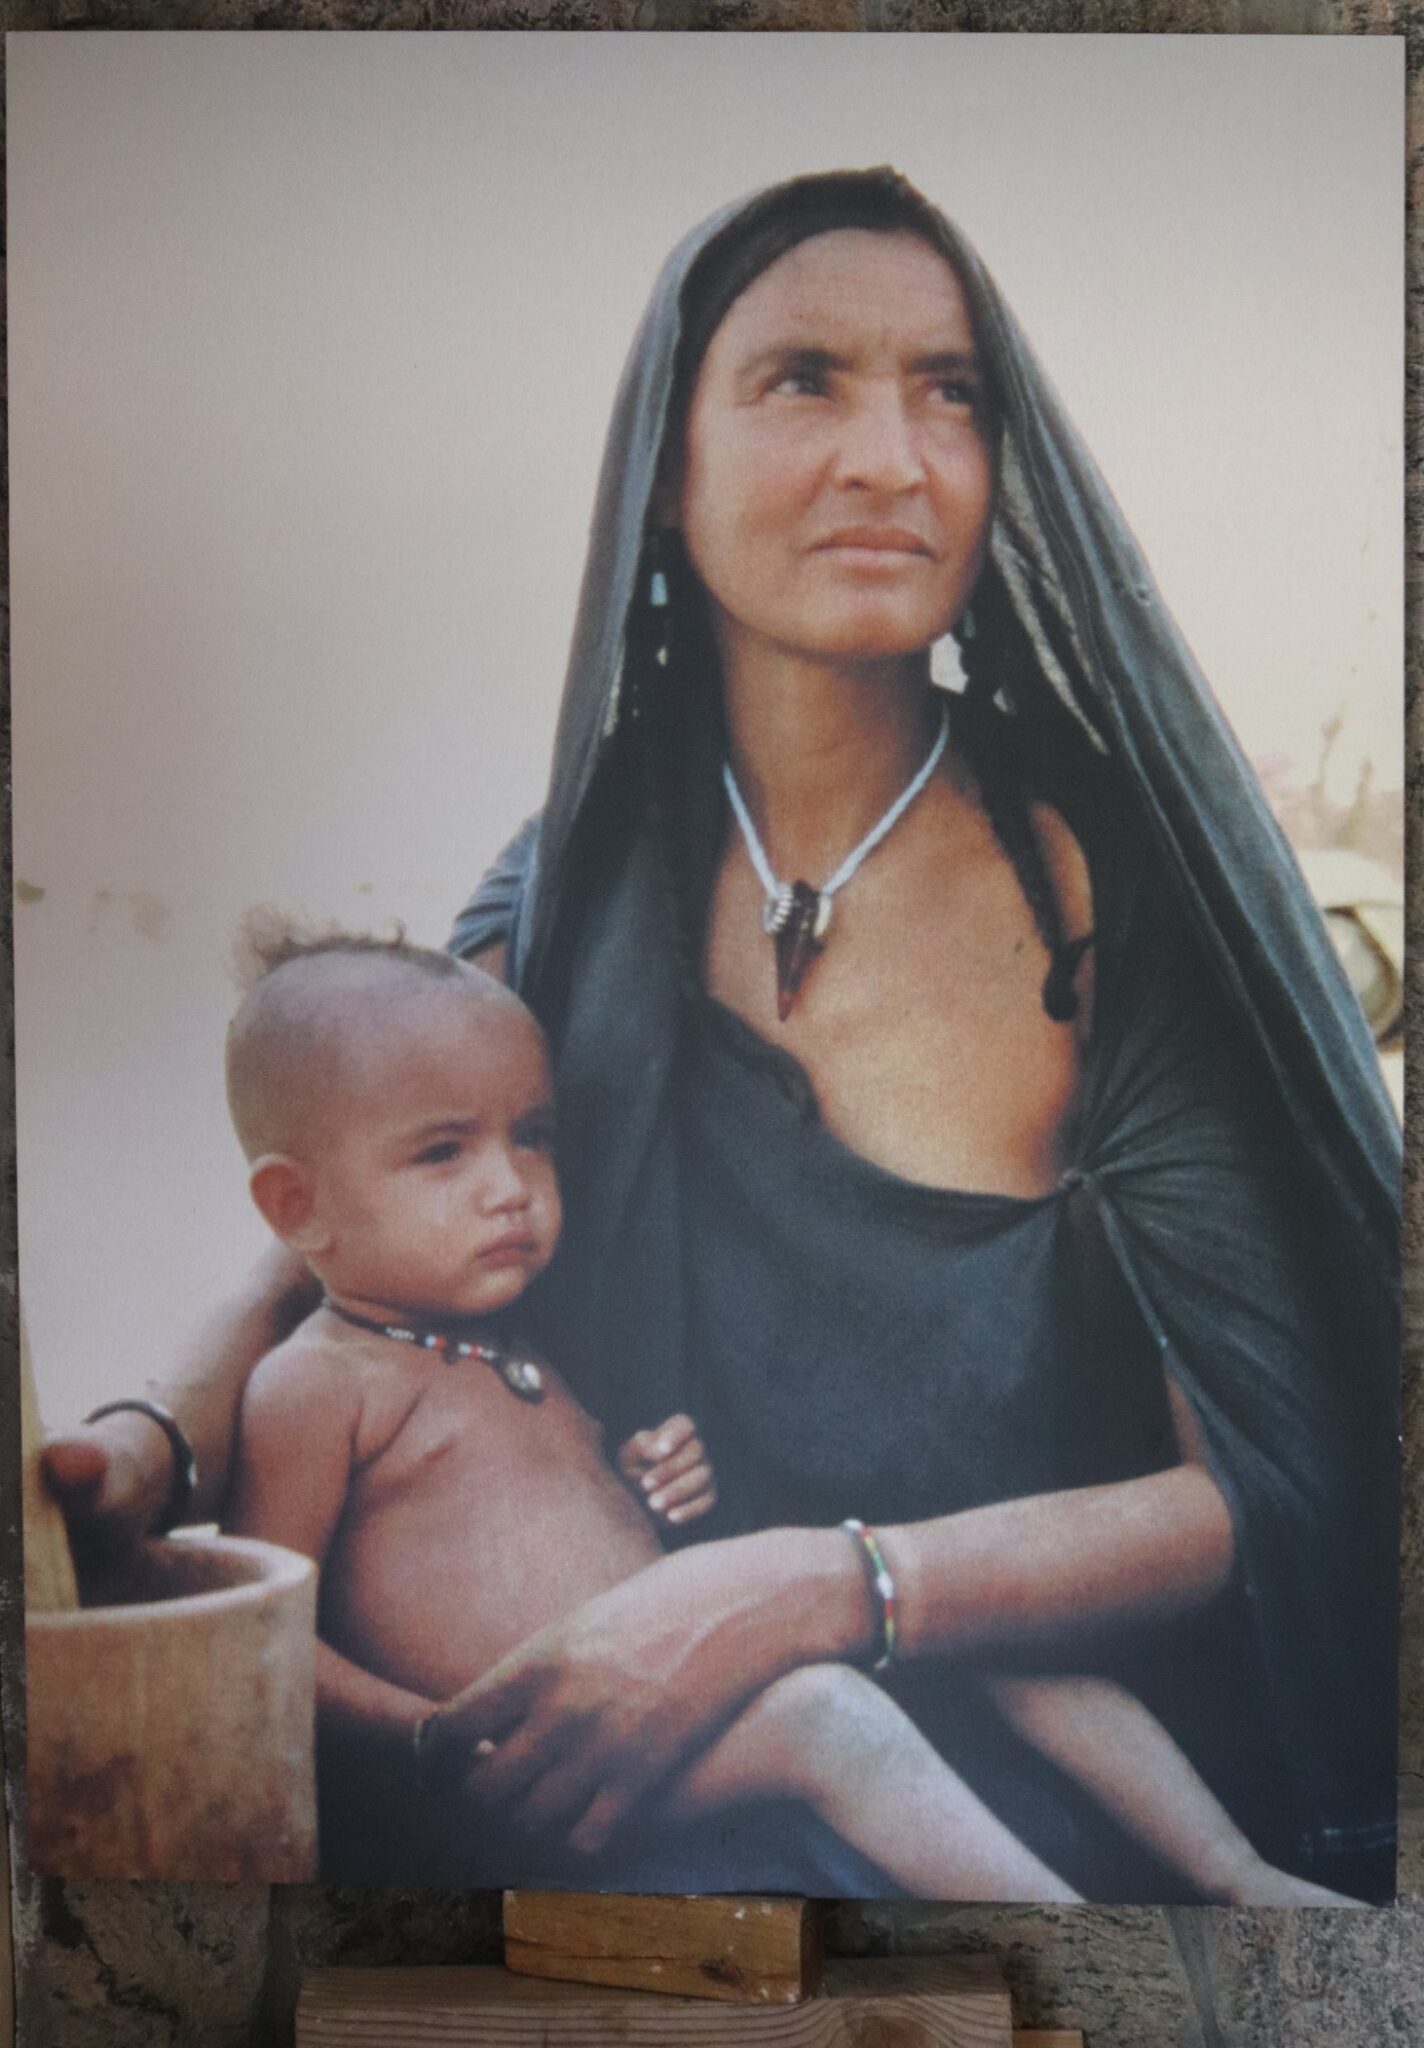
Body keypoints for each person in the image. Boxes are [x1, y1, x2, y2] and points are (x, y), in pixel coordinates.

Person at [45, 168, 1400, 1903]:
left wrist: (816, 1586)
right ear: (662, 474)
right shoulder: (580, 879)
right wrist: (155, 1436)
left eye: (950, 392)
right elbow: (365, 1183)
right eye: (802, 379)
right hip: (674, 1774)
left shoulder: (1106, 896)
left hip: (1066, 1786)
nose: (891, 460)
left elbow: (1267, 1478)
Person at [221, 928, 1350, 1902]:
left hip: (671, 1702)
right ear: (296, 1204)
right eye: (442, 1152)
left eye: (534, 1135)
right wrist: (424, 1738)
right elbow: (264, 1634)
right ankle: (1073, 1944)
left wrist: (651, 1472)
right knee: (823, 1713)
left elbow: (559, 1527)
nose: (509, 1185)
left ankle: (1232, 1874)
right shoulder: (318, 1385)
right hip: (540, 1771)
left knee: (980, 1633)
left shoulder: (515, 1343)